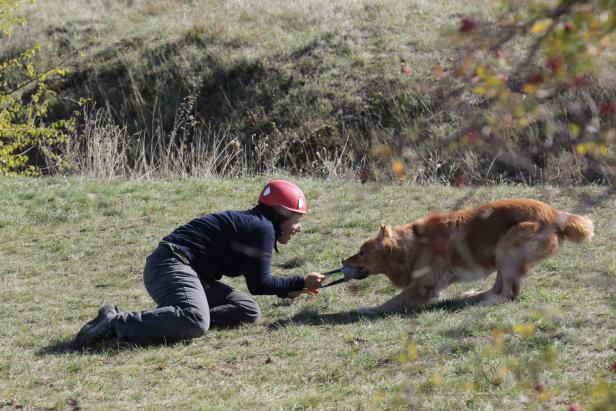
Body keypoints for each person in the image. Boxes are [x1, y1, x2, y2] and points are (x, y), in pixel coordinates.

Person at [73, 179, 324, 347]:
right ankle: (116, 323)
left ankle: (172, 322)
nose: (299, 228)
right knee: (196, 320)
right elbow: (259, 284)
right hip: (171, 264)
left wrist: (287, 288)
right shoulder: (262, 229)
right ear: (280, 214)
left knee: (248, 310)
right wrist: (300, 280)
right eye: (297, 219)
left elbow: (257, 282)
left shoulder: (259, 225)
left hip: (182, 270)